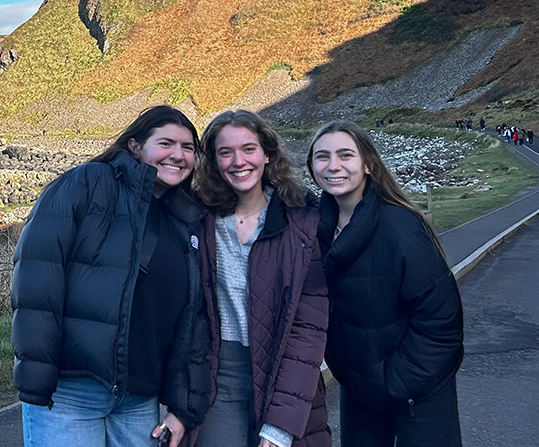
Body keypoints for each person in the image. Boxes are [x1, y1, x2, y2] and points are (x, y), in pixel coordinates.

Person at [12, 106, 211, 447]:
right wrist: (37, 377)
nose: (178, 155)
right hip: (72, 390)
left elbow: (192, 319)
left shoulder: (184, 216)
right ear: (135, 146)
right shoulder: (87, 183)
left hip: (139, 398)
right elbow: (37, 276)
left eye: (188, 147)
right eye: (166, 143)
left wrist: (181, 405)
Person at [308, 120, 463, 447]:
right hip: (360, 387)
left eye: (345, 155)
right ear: (311, 167)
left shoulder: (402, 229)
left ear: (368, 164)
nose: (333, 165)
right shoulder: (315, 228)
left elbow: (441, 322)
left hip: (416, 392)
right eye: (322, 157)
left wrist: (396, 382)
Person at [190, 111, 329, 447]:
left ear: (267, 154)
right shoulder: (198, 219)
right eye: (226, 152)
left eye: (249, 149)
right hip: (219, 375)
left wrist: (280, 426)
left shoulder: (303, 222)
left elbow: (308, 330)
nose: (239, 161)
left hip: (284, 371)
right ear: (213, 161)